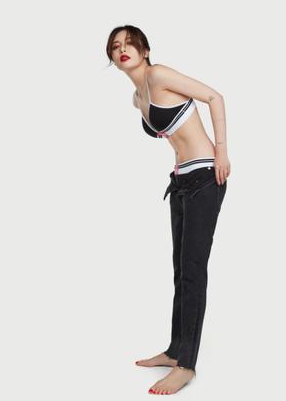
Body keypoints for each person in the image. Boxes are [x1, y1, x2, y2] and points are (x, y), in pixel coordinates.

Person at [106, 25, 231, 395]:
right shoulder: (137, 99)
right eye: (115, 46)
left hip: (206, 176)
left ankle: (186, 366)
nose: (123, 49)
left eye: (130, 43)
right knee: (180, 270)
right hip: (180, 182)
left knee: (193, 272)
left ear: (144, 50)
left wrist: (222, 152)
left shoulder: (158, 75)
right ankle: (176, 350)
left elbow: (214, 96)